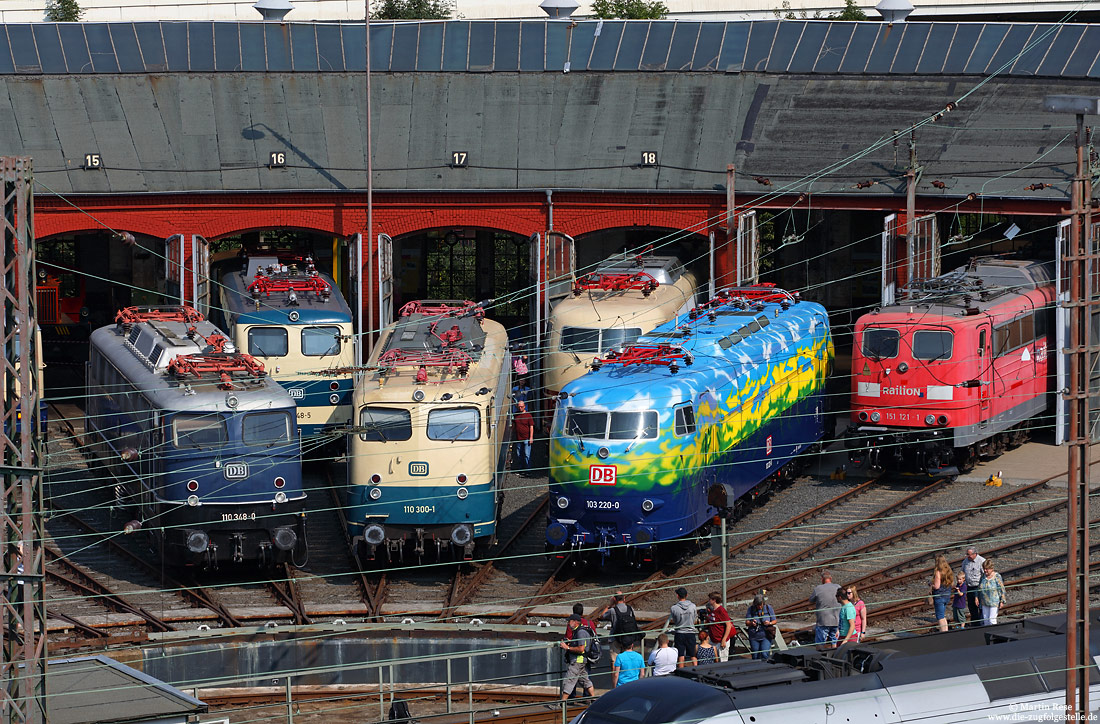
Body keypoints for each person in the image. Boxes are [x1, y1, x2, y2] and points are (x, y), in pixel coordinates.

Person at [559, 614, 596, 700]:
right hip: (582, 661)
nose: (568, 623)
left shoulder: (580, 632)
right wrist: (570, 642)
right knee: (585, 681)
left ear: (575, 622)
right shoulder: (580, 630)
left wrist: (567, 647)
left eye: (569, 621)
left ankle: (561, 704)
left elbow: (581, 649)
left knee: (569, 681)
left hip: (578, 661)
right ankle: (594, 700)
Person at [669, 586, 698, 668]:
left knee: (681, 656)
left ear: (678, 596)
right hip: (691, 632)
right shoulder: (693, 606)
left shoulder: (674, 608)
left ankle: (681, 673)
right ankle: (697, 669)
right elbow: (695, 617)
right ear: (687, 595)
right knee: (693, 655)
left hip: (680, 633)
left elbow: (675, 619)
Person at [810, 571, 841, 645]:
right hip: (836, 620)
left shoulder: (818, 589)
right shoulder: (838, 587)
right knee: (834, 641)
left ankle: (820, 655)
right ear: (831, 578)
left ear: (822, 579)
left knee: (820, 642)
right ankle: (834, 655)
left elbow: (811, 600)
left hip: (823, 621)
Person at [702, 591, 734, 662]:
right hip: (713, 640)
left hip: (720, 640)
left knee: (722, 661)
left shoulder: (721, 610)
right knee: (712, 660)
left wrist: (723, 640)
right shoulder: (712, 610)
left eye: (710, 599)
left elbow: (728, 625)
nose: (709, 600)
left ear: (714, 600)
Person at [745, 594, 777, 660]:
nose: (759, 607)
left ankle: (765, 667)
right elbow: (747, 622)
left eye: (761, 605)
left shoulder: (768, 608)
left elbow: (774, 620)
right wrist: (751, 623)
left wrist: (769, 623)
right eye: (758, 605)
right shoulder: (751, 609)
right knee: (755, 655)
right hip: (754, 636)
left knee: (764, 654)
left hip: (766, 636)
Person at [960, 547, 986, 627]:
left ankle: (982, 623)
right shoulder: (965, 561)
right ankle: (975, 624)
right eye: (967, 554)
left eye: (969, 554)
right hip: (969, 587)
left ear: (975, 554)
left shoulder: (982, 561)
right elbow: (962, 572)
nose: (968, 556)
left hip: (978, 587)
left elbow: (985, 575)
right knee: (972, 607)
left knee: (981, 607)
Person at [977, 559, 1008, 625]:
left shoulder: (997, 577)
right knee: (985, 620)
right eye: (984, 569)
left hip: (994, 601)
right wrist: (976, 597)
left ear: (991, 569)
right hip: (984, 601)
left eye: (987, 569)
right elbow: (979, 587)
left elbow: (1002, 589)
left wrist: (1002, 601)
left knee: (992, 620)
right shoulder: (983, 577)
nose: (985, 570)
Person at [930, 553, 954, 632]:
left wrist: (931, 584)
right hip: (947, 595)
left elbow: (937, 586)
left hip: (939, 597)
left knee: (940, 616)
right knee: (942, 615)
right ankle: (945, 631)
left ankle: (943, 632)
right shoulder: (948, 570)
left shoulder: (938, 572)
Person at [512, 399, 535, 474]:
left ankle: (528, 470)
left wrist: (531, 437)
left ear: (524, 407)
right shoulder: (515, 415)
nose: (520, 408)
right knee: (519, 454)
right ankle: (520, 469)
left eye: (521, 407)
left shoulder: (528, 415)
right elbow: (513, 426)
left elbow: (531, 427)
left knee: (527, 454)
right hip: (518, 438)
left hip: (526, 438)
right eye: (519, 407)